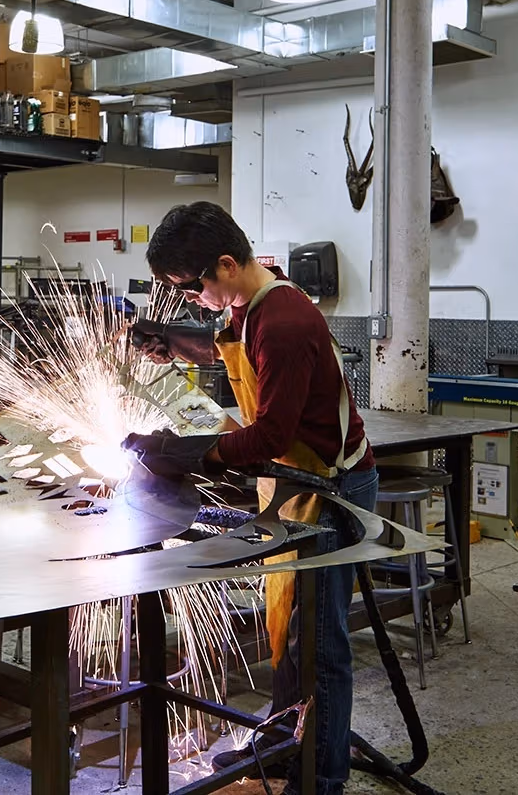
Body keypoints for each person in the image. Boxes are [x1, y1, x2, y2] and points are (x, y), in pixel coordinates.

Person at [123, 202, 376, 795]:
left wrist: (187, 452)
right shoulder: (249, 301)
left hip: (330, 488)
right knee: (287, 629)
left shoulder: (283, 322)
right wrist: (174, 341)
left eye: (192, 289)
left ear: (227, 265)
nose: (190, 300)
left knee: (321, 647)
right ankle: (286, 740)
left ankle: (322, 777)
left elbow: (270, 436)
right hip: (291, 483)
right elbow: (224, 348)